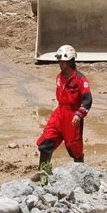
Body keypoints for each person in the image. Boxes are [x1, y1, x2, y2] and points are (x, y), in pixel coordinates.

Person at [31, 45, 92, 181]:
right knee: (45, 143)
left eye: (62, 61)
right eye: (59, 61)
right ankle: (43, 174)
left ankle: (81, 176)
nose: (60, 64)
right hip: (59, 113)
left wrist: (79, 114)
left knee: (74, 147)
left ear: (69, 61)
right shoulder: (59, 77)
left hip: (72, 115)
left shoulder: (80, 79)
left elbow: (88, 99)